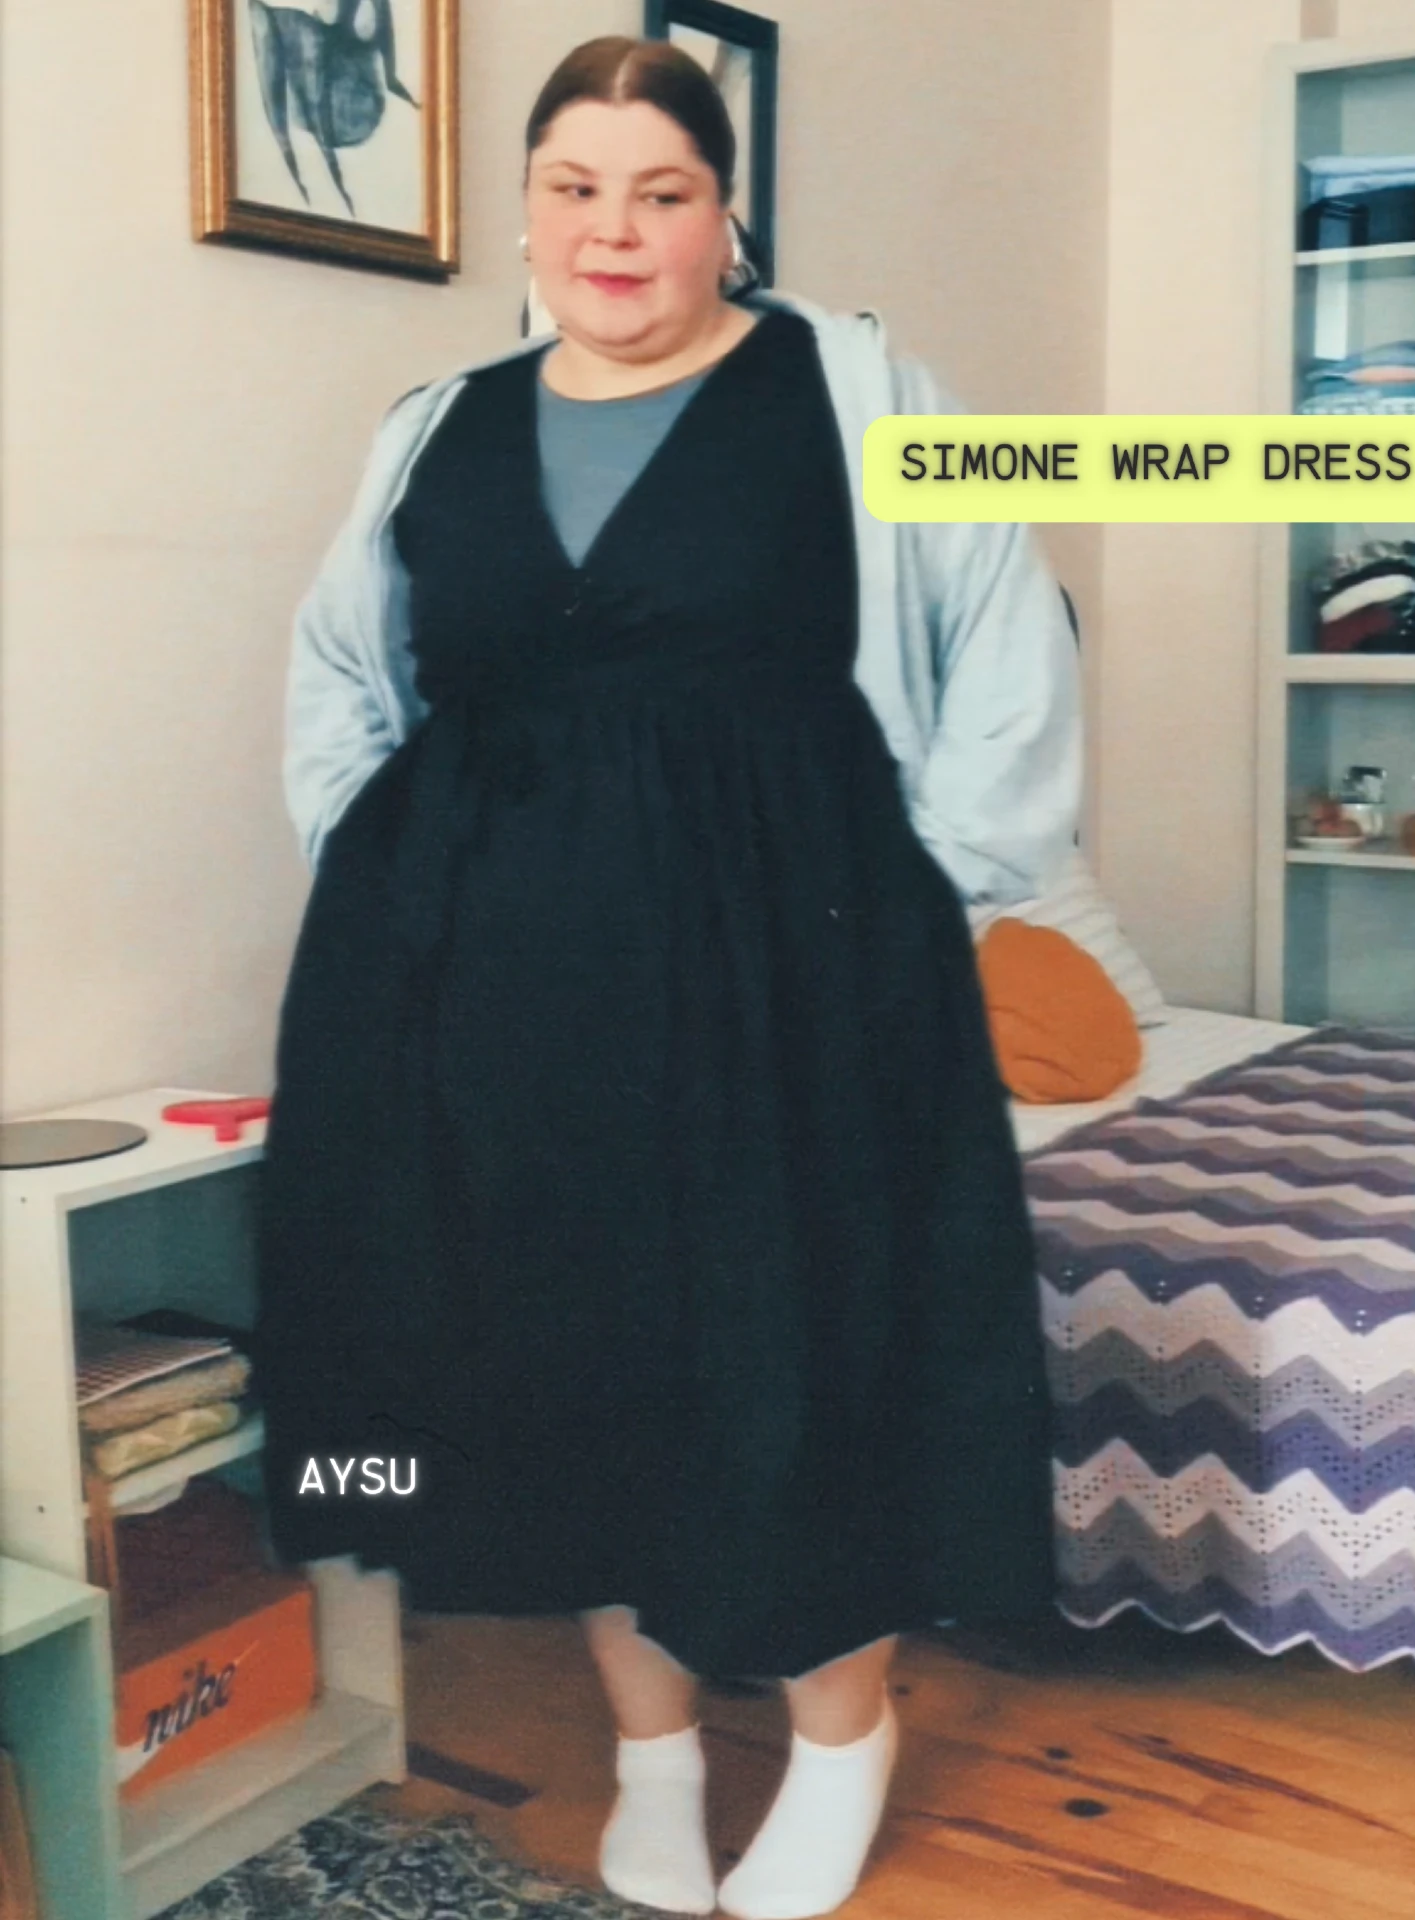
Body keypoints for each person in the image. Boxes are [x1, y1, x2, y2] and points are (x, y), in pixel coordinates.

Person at [253, 33, 1082, 1920]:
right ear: (527, 212)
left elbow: (1007, 632)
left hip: (793, 978)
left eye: (661, 191)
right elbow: (342, 668)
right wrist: (380, 874)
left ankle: (842, 1740)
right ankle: (654, 1753)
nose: (613, 230)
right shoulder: (434, 423)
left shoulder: (856, 389)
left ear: (726, 217)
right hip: (500, 993)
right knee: (561, 1352)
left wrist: (928, 884)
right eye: (574, 187)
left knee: (802, 1347)